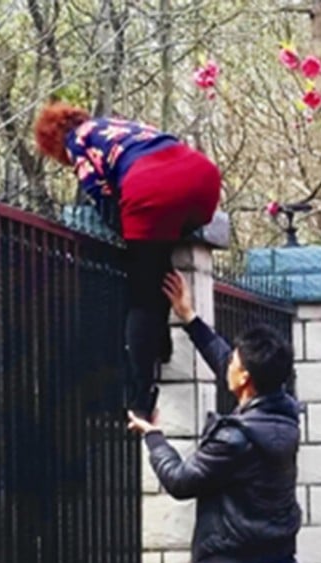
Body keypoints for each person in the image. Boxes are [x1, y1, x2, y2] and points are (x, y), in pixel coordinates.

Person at [127, 271, 300, 563]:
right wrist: (189, 318)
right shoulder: (282, 411)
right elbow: (225, 359)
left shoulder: (237, 438)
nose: (230, 363)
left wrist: (154, 438)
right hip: (273, 562)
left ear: (245, 379)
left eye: (237, 362)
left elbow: (182, 482)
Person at [34, 102, 222, 417]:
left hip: (153, 189)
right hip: (203, 182)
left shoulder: (77, 143)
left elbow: (102, 195)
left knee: (141, 296)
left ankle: (140, 397)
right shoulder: (118, 127)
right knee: (155, 256)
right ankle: (160, 343)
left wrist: (115, 229)